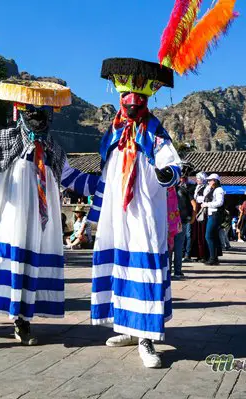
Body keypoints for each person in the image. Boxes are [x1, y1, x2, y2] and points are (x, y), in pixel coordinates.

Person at [0, 79, 98, 354]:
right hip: (4, 221)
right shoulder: (1, 138)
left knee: (28, 271)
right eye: (31, 111)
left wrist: (103, 184)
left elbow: (72, 178)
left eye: (43, 112)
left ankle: (22, 323)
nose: (37, 117)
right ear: (21, 112)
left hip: (36, 226)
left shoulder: (54, 149)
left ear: (50, 115)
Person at [90, 58, 181, 369]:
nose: (132, 104)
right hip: (117, 214)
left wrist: (168, 172)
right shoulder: (112, 133)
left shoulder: (154, 131)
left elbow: (170, 160)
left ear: (145, 101)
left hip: (143, 211)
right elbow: (105, 174)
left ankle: (146, 338)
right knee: (120, 266)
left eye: (138, 100)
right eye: (127, 99)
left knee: (143, 268)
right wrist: (94, 216)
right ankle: (127, 329)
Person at [201, 174, 225, 265]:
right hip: (212, 214)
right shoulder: (213, 189)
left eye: (210, 180)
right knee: (213, 236)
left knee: (208, 236)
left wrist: (207, 205)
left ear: (214, 181)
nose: (208, 182)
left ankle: (212, 258)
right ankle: (214, 257)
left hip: (215, 214)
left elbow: (219, 202)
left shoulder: (219, 190)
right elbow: (204, 195)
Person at [192, 172, 208, 261]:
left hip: (202, 210)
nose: (197, 180)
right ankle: (198, 254)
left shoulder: (206, 188)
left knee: (202, 231)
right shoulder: (197, 187)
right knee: (197, 232)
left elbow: (205, 198)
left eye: (198, 179)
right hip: (197, 209)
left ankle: (204, 255)